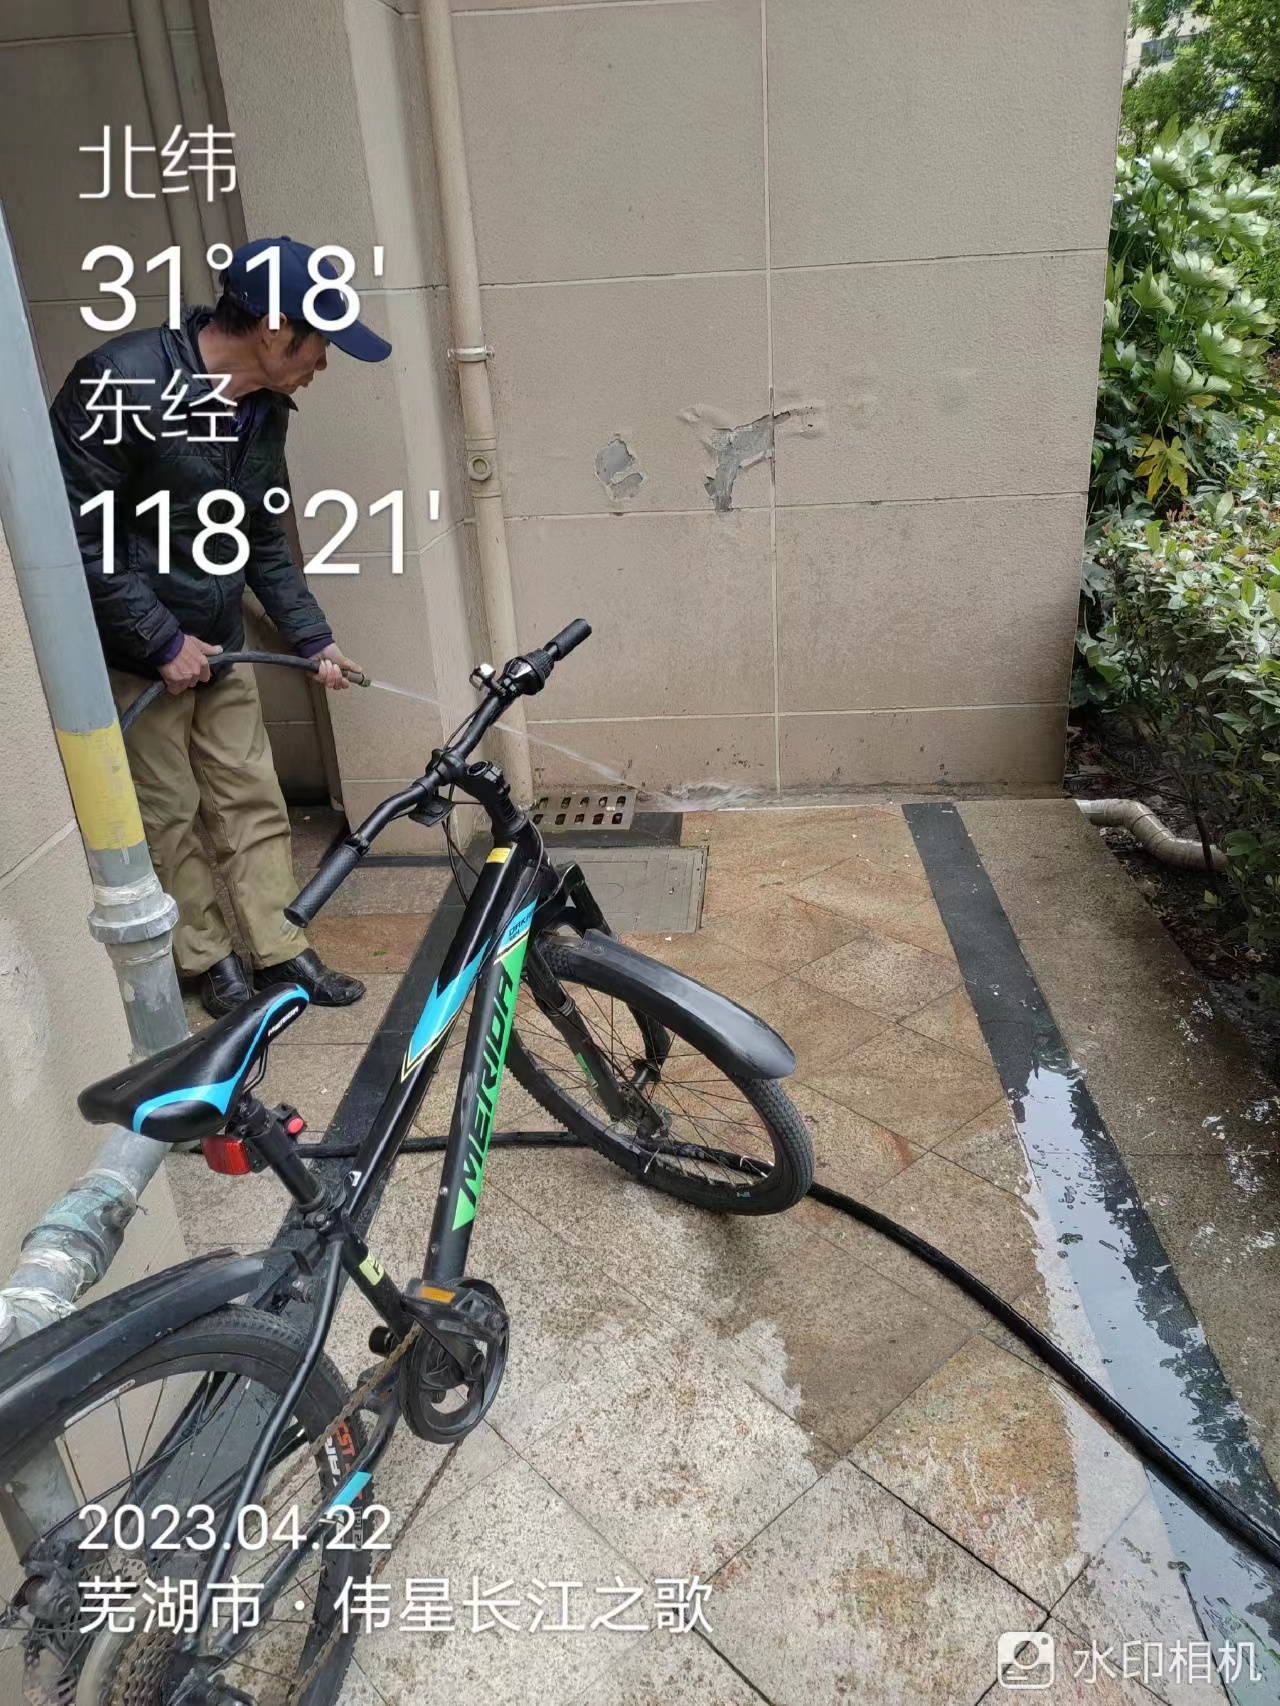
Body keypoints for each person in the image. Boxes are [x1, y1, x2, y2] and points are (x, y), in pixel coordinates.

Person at [50, 237, 391, 1018]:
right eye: (320, 341)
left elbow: (261, 534)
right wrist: (160, 641)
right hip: (137, 653)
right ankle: (205, 959)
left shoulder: (263, 410)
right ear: (274, 328)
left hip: (221, 638)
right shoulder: (119, 381)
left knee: (252, 796)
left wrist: (312, 639)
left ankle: (279, 945)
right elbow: (77, 533)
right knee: (167, 811)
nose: (324, 362)